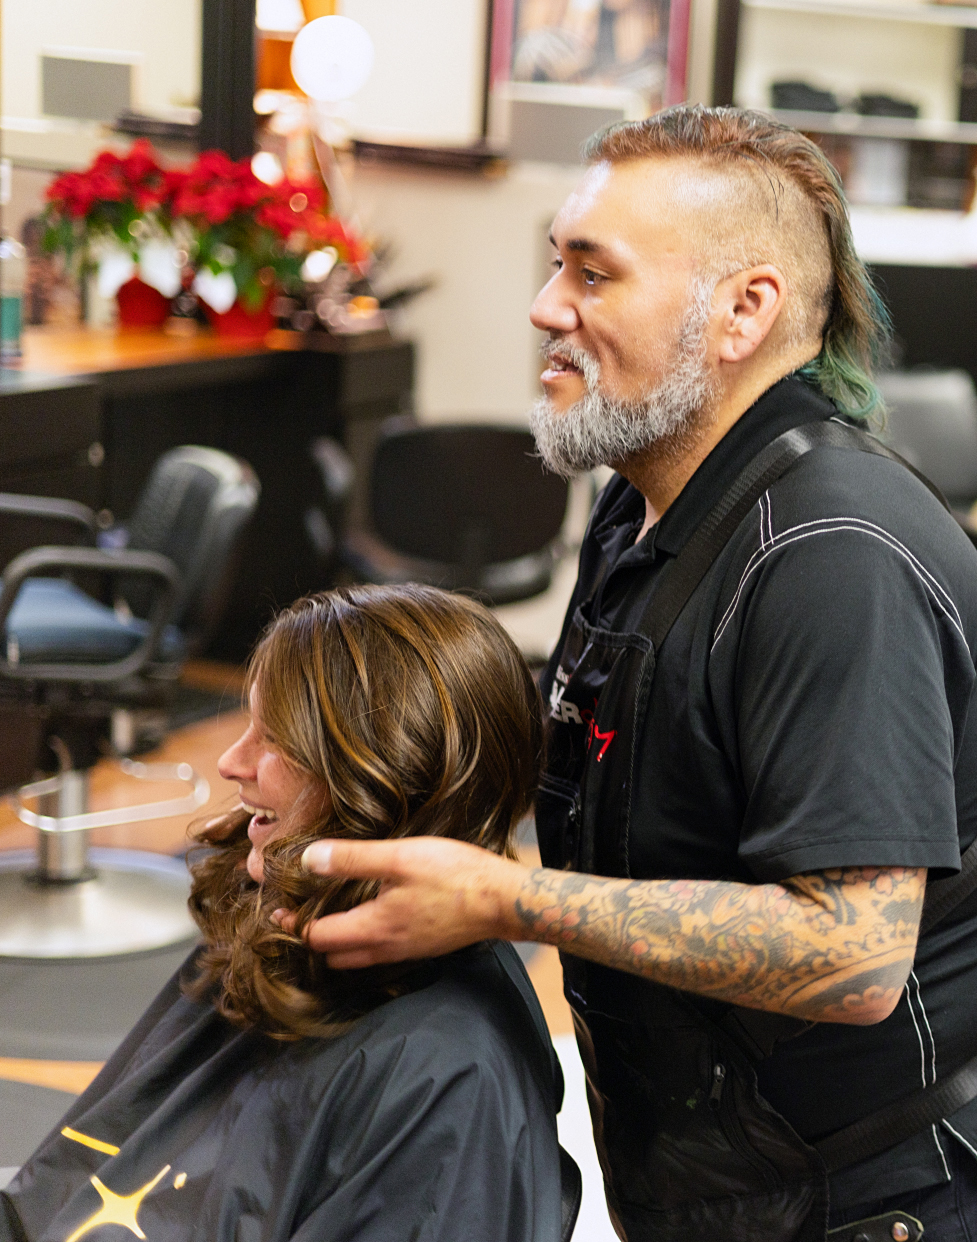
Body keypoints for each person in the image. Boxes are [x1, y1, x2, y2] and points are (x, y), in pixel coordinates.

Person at [281, 107, 977, 1240]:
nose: (544, 307)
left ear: (742, 312)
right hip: (705, 1169)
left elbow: (851, 958)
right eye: (557, 263)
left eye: (592, 275)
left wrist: (503, 900)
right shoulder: (645, 497)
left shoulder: (828, 559)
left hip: (866, 1200)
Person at [1, 586, 565, 1242]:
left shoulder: (446, 1079)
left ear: (381, 772)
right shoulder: (282, 926)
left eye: (274, 740)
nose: (230, 762)